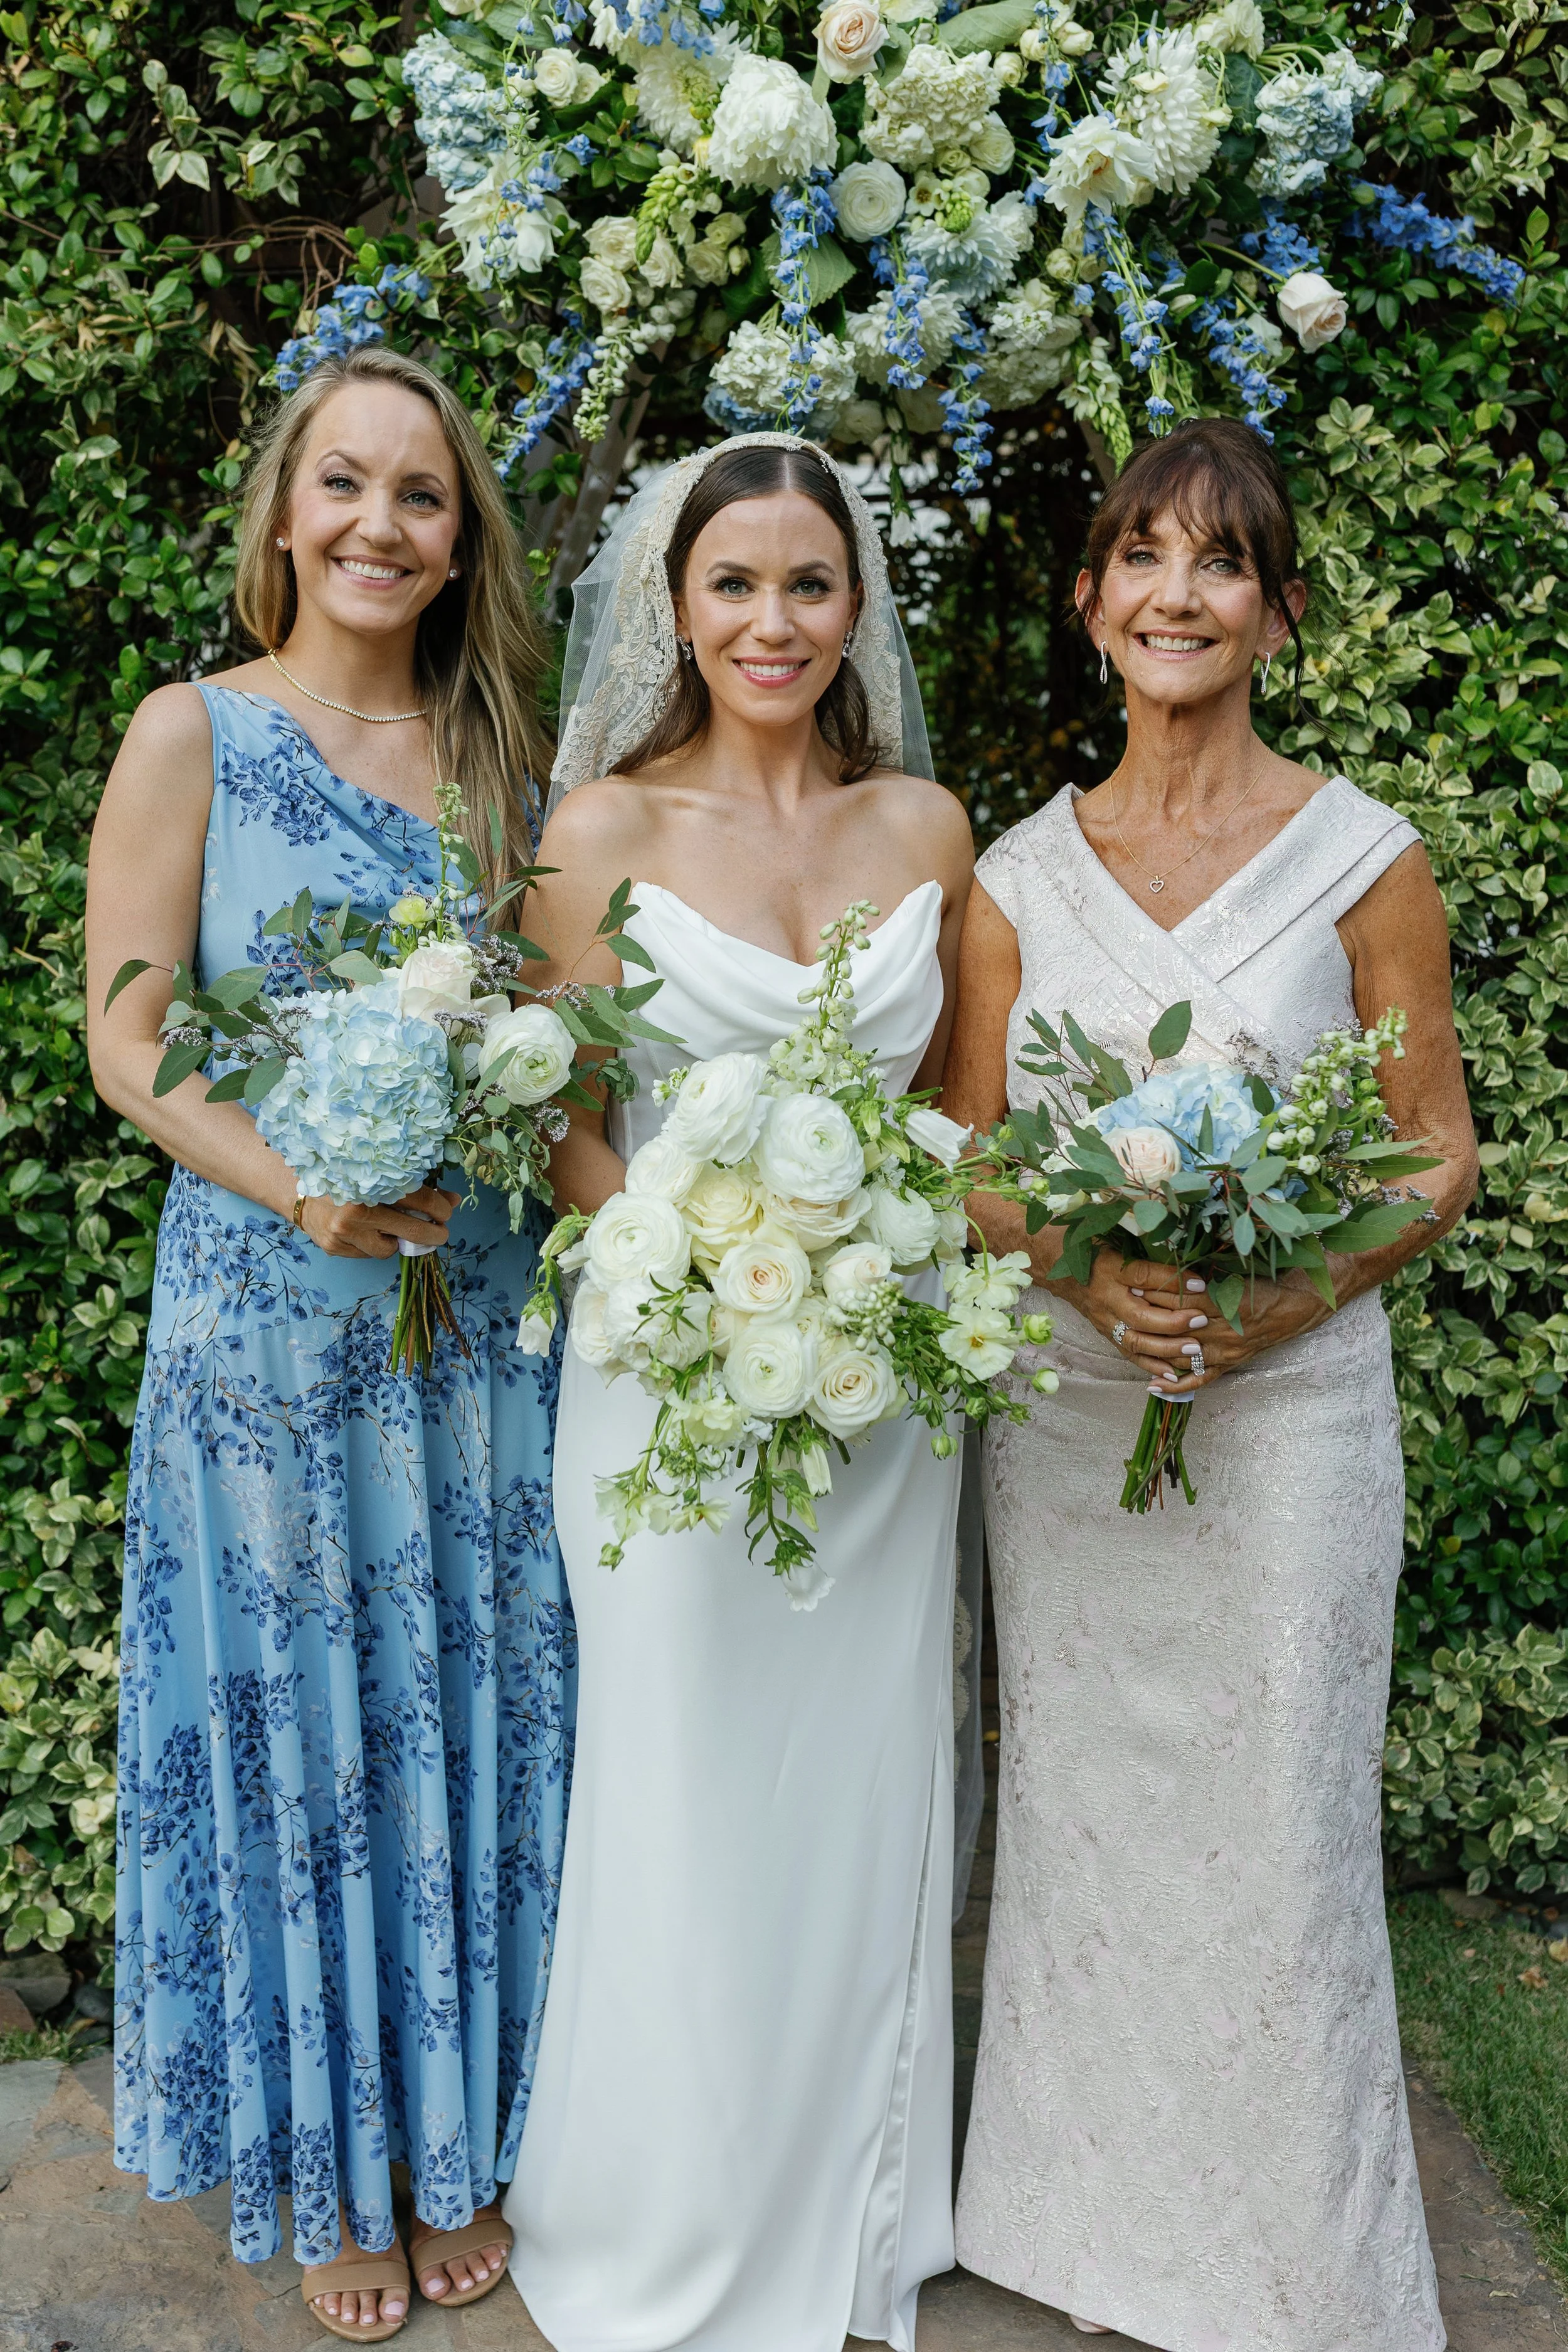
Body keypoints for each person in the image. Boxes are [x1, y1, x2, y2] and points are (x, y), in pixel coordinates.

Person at [942, 416, 1476, 2351]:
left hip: (1294, 1416)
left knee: (1278, 1826)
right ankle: (1095, 2244)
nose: (1178, 593)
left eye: (1220, 562)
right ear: (1088, 600)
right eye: (1142, 556)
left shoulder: (1361, 859)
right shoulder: (1010, 876)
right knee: (1087, 1821)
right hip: (1075, 1424)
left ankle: (1295, 2286)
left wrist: (1270, 1305)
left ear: (1275, 610)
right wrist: (1089, 1275)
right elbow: (973, 1149)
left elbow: (1431, 1148)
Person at [90, 345, 573, 2342]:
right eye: (345, 485)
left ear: (465, 543)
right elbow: (126, 1039)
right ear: (283, 513)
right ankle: (329, 2178)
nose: (381, 524)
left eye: (423, 496)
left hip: (464, 1336)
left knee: (456, 1703)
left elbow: (553, 1038)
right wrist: (302, 1186)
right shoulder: (189, 730)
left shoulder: (497, 764)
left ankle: (459, 2145)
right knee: (300, 1728)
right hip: (268, 1331)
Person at [499, 433, 973, 2352]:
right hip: (666, 1394)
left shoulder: (928, 828)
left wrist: (887, 1266)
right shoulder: (597, 832)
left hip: (872, 1395)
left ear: (854, 608)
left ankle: (854, 2218)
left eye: (806, 584)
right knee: (683, 1793)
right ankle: (663, 2222)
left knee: (857, 1799)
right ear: (670, 608)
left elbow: (961, 1119)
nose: (770, 621)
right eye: (734, 586)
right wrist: (683, 1277)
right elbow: (561, 1124)